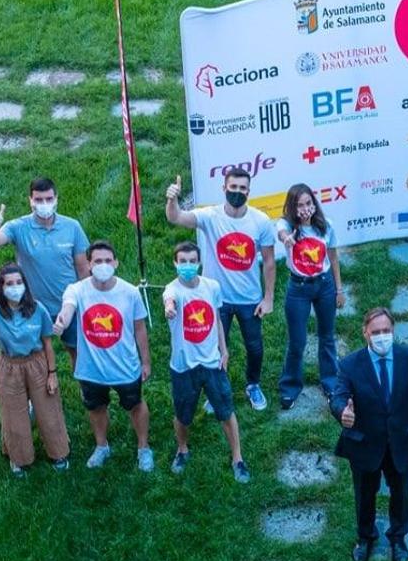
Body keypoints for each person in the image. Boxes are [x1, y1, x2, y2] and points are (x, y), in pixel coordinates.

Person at [166, 168, 276, 411]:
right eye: (233, 187)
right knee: (215, 348)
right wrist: (172, 199)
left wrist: (268, 298)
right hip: (216, 300)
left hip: (249, 298)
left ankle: (253, 385)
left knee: (255, 347)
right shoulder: (210, 216)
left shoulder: (261, 221)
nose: (237, 192)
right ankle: (216, 390)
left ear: (249, 191)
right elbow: (176, 218)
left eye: (242, 188)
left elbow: (268, 261)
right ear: (224, 188)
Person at [330, 308, 408, 561]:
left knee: (401, 493)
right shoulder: (350, 364)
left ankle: (398, 538)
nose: (382, 336)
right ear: (365, 333)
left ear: (393, 331)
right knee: (364, 494)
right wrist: (343, 413)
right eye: (376, 332)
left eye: (386, 331)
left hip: (401, 441)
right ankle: (365, 538)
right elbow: (339, 395)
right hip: (365, 444)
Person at [53, 240, 154, 472]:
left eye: (108, 260)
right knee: (96, 408)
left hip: (125, 366)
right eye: (97, 261)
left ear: (116, 263)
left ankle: (143, 447)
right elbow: (68, 307)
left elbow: (140, 329)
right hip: (91, 369)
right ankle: (101, 446)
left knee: (135, 405)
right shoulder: (77, 290)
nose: (103, 265)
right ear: (88, 265)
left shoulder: (130, 293)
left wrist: (145, 361)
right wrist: (63, 320)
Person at [161, 241, 251, 482]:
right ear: (175, 263)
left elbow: (217, 320)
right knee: (183, 415)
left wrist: (224, 350)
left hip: (212, 363)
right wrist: (169, 308)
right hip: (183, 366)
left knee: (226, 410)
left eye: (192, 261)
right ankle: (182, 449)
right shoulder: (172, 290)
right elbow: (169, 301)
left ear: (199, 263)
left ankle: (237, 458)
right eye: (183, 262)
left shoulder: (212, 287)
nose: (188, 266)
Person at [0, 176, 91, 364]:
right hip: (32, 308)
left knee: (78, 353)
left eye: (48, 199)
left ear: (56, 199)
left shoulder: (72, 227)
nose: (44, 204)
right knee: (33, 357)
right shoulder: (18, 227)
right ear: (30, 201)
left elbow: (82, 268)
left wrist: (85, 301)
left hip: (68, 305)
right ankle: (38, 389)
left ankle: (85, 391)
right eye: (38, 200)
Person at [0, 263, 70, 476]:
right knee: (13, 413)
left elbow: (47, 344)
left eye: (19, 282)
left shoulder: (38, 309)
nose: (15, 287)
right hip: (10, 366)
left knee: (48, 410)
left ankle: (58, 453)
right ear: (1, 288)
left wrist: (52, 374)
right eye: (9, 283)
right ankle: (19, 458)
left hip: (37, 363)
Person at [277, 183, 346, 408]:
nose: (305, 209)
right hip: (298, 289)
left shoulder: (326, 227)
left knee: (327, 337)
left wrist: (339, 289)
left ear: (314, 203)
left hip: (324, 285)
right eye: (299, 205)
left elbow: (333, 258)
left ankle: (331, 382)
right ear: (292, 208)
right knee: (297, 341)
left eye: (308, 203)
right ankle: (290, 387)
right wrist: (287, 238)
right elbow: (282, 233)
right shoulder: (286, 224)